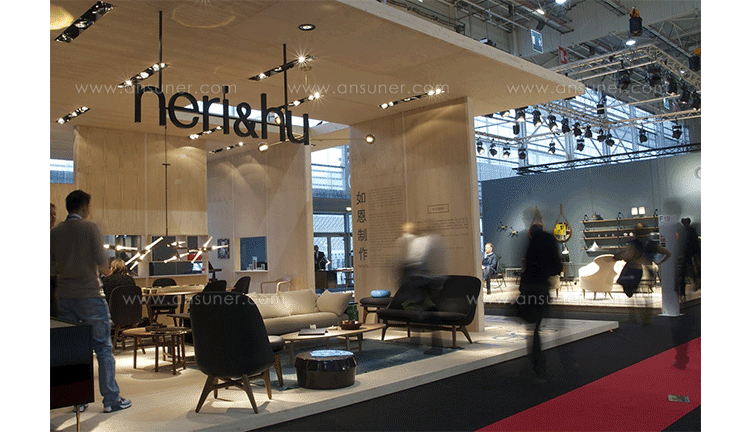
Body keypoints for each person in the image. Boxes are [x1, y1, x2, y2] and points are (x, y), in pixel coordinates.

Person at [51, 190, 131, 413]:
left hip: (64, 296)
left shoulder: (55, 232)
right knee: (103, 347)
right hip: (90, 295)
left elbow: (51, 266)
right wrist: (105, 271)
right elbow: (103, 264)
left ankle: (78, 400)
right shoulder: (91, 228)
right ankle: (111, 399)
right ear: (85, 208)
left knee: (73, 349)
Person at [517, 222, 562, 383]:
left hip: (528, 287)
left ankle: (538, 366)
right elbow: (556, 267)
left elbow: (526, 265)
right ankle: (548, 367)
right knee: (538, 327)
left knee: (533, 329)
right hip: (541, 287)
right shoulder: (549, 240)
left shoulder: (530, 244)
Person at [614, 223, 672, 323]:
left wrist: (617, 257)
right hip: (648, 270)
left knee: (633, 296)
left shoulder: (635, 244)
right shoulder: (652, 244)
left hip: (634, 270)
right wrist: (658, 262)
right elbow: (667, 253)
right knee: (646, 296)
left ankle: (633, 317)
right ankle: (646, 318)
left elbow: (628, 255)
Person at [51, 203, 59, 317]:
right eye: (49, 214)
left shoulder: (56, 234)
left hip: (56, 280)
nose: (53, 217)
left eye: (54, 214)